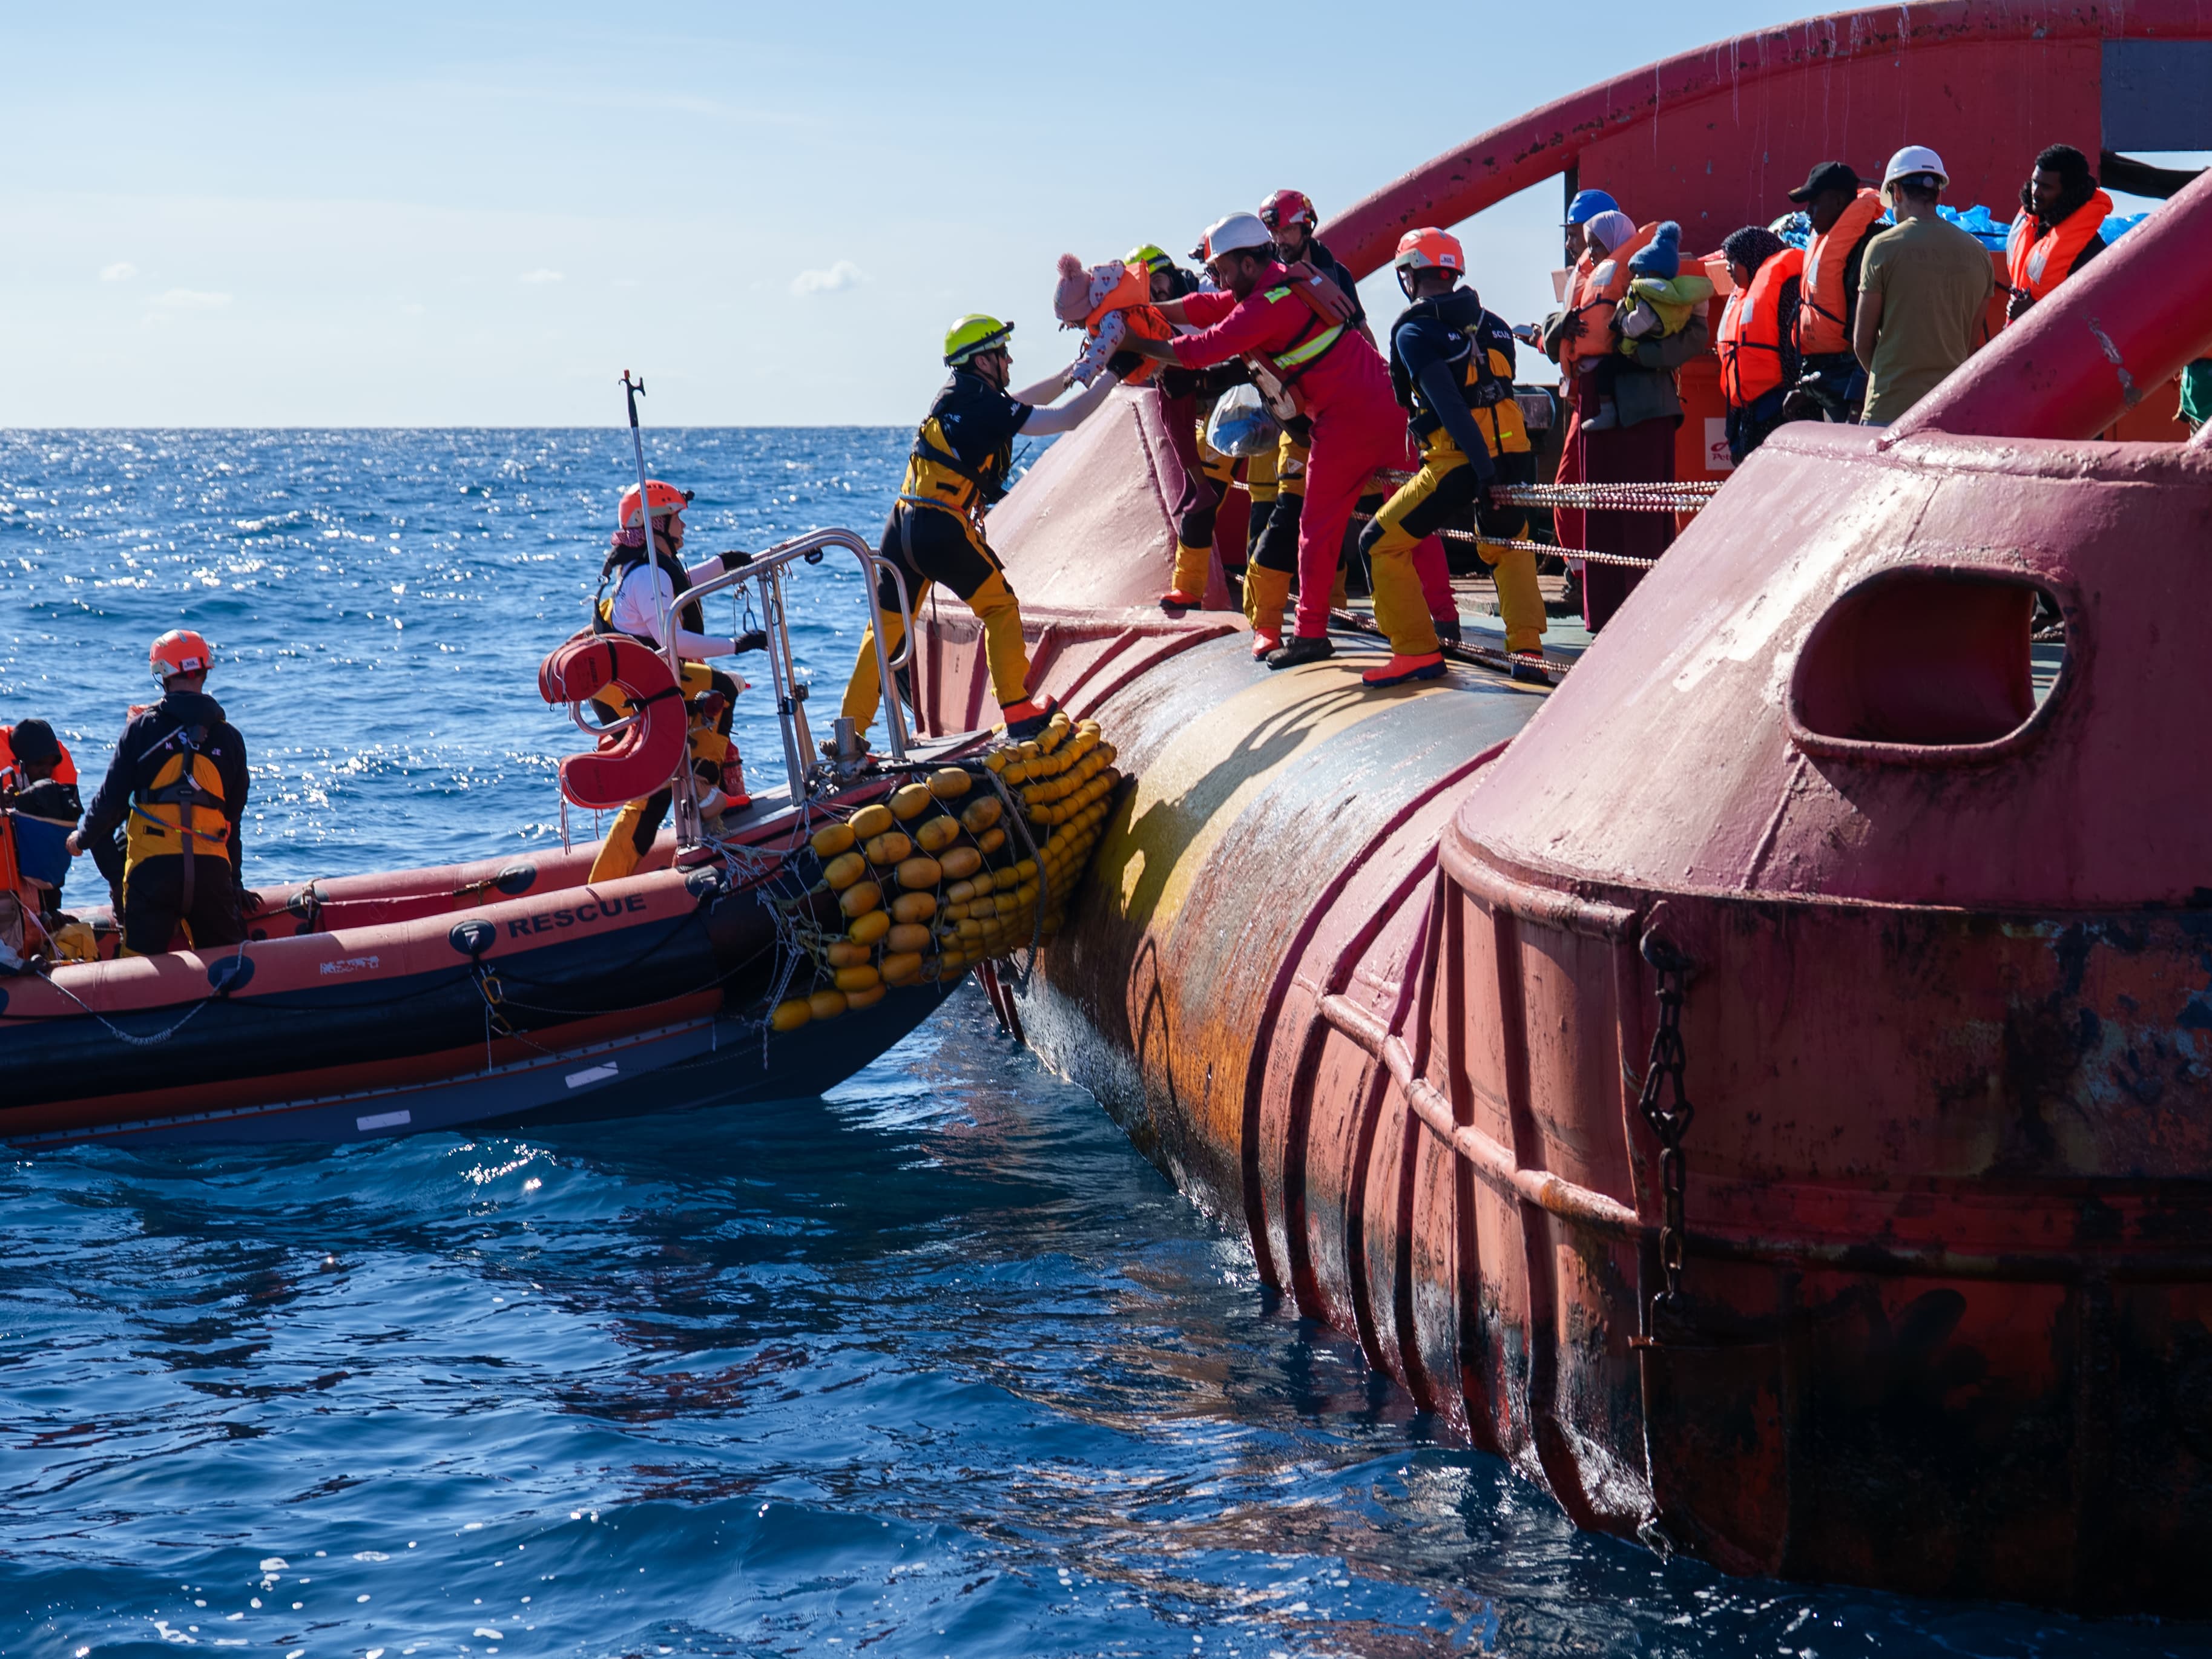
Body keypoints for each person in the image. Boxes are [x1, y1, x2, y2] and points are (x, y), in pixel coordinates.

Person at [1122, 212, 1410, 668]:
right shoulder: (1286, 281)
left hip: (1343, 422)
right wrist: (1149, 313)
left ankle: (1311, 632)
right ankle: (1442, 621)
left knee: (1315, 531)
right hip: (1389, 404)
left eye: (1223, 270)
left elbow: (1200, 349)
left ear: (1248, 264)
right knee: (1409, 523)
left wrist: (1133, 342)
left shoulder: (1264, 307)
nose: (1219, 279)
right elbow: (1206, 306)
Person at [837, 314, 1118, 744]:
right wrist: (1116, 372)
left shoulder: (959, 397)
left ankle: (849, 735)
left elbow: (1022, 403)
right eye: (1002, 352)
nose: (1010, 360)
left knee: (885, 628)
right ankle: (1017, 708)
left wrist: (1078, 371)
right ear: (983, 362)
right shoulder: (984, 406)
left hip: (901, 526)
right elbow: (1068, 418)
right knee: (1000, 607)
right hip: (940, 528)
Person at [1359, 228, 1545, 683]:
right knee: (1508, 547)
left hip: (1459, 464)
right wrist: (1495, 470)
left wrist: (1481, 471)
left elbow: (1450, 405)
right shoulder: (1494, 324)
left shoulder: (1415, 331)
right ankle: (1529, 653)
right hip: (1516, 456)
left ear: (1410, 275)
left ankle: (1415, 651)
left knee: (1378, 543)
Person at [585, 478, 769, 882]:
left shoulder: (646, 568)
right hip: (632, 695)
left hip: (636, 685)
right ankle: (701, 791)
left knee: (716, 694)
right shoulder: (647, 577)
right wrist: (737, 644)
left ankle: (703, 792)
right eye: (676, 518)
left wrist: (725, 563)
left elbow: (681, 583)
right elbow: (675, 639)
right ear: (654, 524)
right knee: (651, 797)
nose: (683, 526)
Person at [1541, 208, 1697, 631]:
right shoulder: (1591, 281)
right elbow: (1562, 331)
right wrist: (1562, 328)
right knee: (1602, 512)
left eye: (1596, 244)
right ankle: (1604, 610)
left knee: (1641, 514)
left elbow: (1678, 332)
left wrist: (1633, 347)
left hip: (1640, 409)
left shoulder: (1647, 274)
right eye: (1588, 244)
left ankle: (1646, 614)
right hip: (1597, 405)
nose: (1589, 253)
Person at [1239, 189, 1373, 643]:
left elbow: (1359, 329)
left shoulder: (1336, 273)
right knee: (1287, 517)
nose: (1278, 239)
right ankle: (1265, 622)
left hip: (1340, 417)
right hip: (1297, 420)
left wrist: (1382, 380)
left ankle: (1334, 610)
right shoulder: (1266, 278)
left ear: (1307, 227)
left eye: (1286, 229)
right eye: (1272, 231)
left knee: (1337, 518)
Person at [70, 630, 251, 958]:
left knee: (138, 968)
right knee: (230, 964)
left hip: (153, 873)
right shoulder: (230, 739)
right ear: (205, 671)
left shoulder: (142, 729)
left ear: (162, 674)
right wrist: (234, 883)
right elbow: (232, 820)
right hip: (212, 873)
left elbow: (109, 803)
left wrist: (80, 840)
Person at [1854, 145, 1995, 428]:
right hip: (1949, 411)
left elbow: (1862, 342)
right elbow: (1969, 346)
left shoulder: (1883, 247)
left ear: (1896, 192)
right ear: (1938, 194)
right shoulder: (1980, 253)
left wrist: (1888, 381)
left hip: (1889, 408)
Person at [1584, 223, 1712, 431]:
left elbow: (1693, 335)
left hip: (1650, 406)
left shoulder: (1650, 300)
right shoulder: (1673, 296)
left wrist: (1622, 320)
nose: (1591, 253)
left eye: (1598, 245)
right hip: (1626, 405)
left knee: (1606, 369)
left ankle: (1607, 412)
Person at [1786, 162, 1884, 422]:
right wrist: (1809, 390)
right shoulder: (1826, 241)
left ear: (1839, 201)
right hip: (1832, 383)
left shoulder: (1869, 249)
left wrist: (1857, 400)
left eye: (1814, 202)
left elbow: (1875, 332)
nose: (1808, 211)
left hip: (1855, 389)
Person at [1714, 225, 1805, 462]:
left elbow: (1791, 350)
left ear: (1751, 257)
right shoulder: (1741, 296)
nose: (1728, 267)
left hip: (1776, 407)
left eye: (1733, 260)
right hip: (1746, 412)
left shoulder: (1787, 287)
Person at [0, 718, 82, 964]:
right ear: (20, 763)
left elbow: (55, 856)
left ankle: (47, 916)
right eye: (39, 765)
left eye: (51, 764)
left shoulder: (55, 795)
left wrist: (52, 910)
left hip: (35, 893)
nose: (46, 771)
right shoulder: (7, 783)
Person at [2004, 145, 2112, 324]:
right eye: (2035, 182)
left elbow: (2092, 319)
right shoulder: (2034, 229)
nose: (2036, 192)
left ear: (2070, 194)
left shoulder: (2091, 254)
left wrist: (2033, 314)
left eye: (2046, 187)